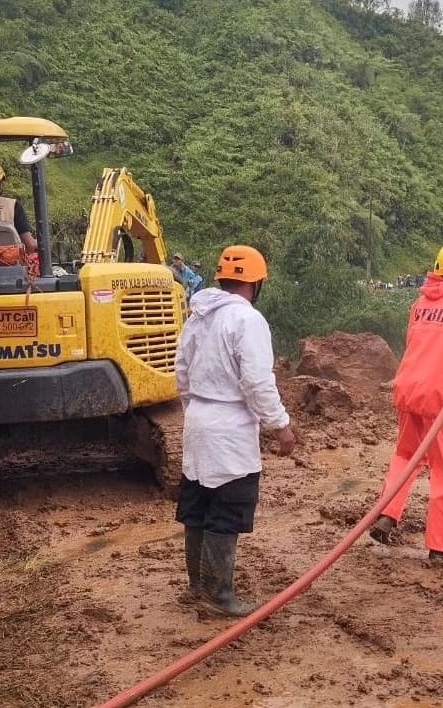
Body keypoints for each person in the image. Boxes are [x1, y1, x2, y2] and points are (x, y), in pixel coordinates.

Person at [174, 244, 297, 616]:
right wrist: (281, 425)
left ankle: (198, 586)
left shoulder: (199, 315)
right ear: (257, 283)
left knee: (198, 505)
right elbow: (257, 382)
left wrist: (193, 410)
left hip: (198, 420)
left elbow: (180, 370)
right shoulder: (247, 321)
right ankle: (218, 596)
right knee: (226, 508)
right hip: (228, 427)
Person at [369, 240, 443, 562]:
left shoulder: (421, 301)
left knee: (406, 455)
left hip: (408, 387)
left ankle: (387, 513)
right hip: (440, 395)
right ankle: (442, 546)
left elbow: (414, 340)